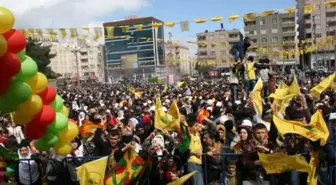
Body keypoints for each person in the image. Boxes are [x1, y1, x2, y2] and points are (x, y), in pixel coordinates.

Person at [186, 113, 204, 185]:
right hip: (193, 162)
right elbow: (188, 131)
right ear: (190, 128)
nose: (197, 127)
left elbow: (201, 127)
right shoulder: (191, 136)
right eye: (195, 125)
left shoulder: (197, 135)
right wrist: (186, 125)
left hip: (199, 162)